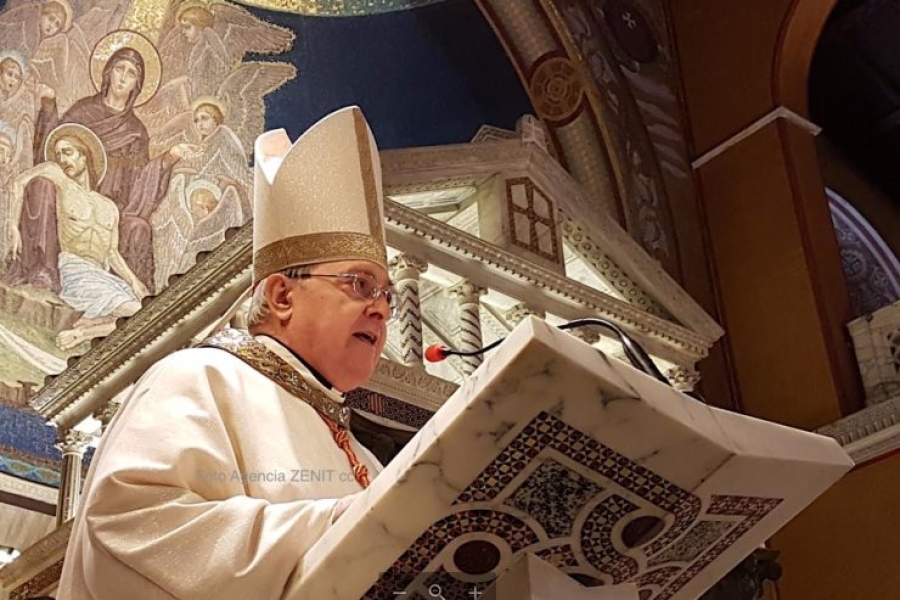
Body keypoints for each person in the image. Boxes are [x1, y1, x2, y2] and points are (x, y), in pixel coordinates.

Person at [58, 106, 397, 598]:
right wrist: (339, 522)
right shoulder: (199, 379)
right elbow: (132, 522)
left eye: (387, 295)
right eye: (360, 284)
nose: (381, 310)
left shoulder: (363, 457)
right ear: (281, 296)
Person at [6, 37, 193, 291]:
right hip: (69, 197)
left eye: (131, 73)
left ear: (137, 84)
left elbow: (140, 184)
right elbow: (54, 148)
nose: (123, 78)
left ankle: (136, 298)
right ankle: (44, 269)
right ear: (108, 72)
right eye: (119, 69)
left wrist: (169, 158)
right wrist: (48, 106)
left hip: (110, 208)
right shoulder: (83, 111)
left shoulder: (136, 132)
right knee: (42, 185)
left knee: (138, 226)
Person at [6, 123, 147, 349]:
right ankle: (81, 335)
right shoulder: (62, 182)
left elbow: (112, 253)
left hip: (106, 278)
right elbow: (19, 182)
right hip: (77, 272)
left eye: (68, 152)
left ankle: (87, 328)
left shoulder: (109, 206)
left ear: (85, 156)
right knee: (139, 313)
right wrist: (12, 226)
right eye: (59, 153)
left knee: (147, 310)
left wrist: (134, 282)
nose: (62, 159)